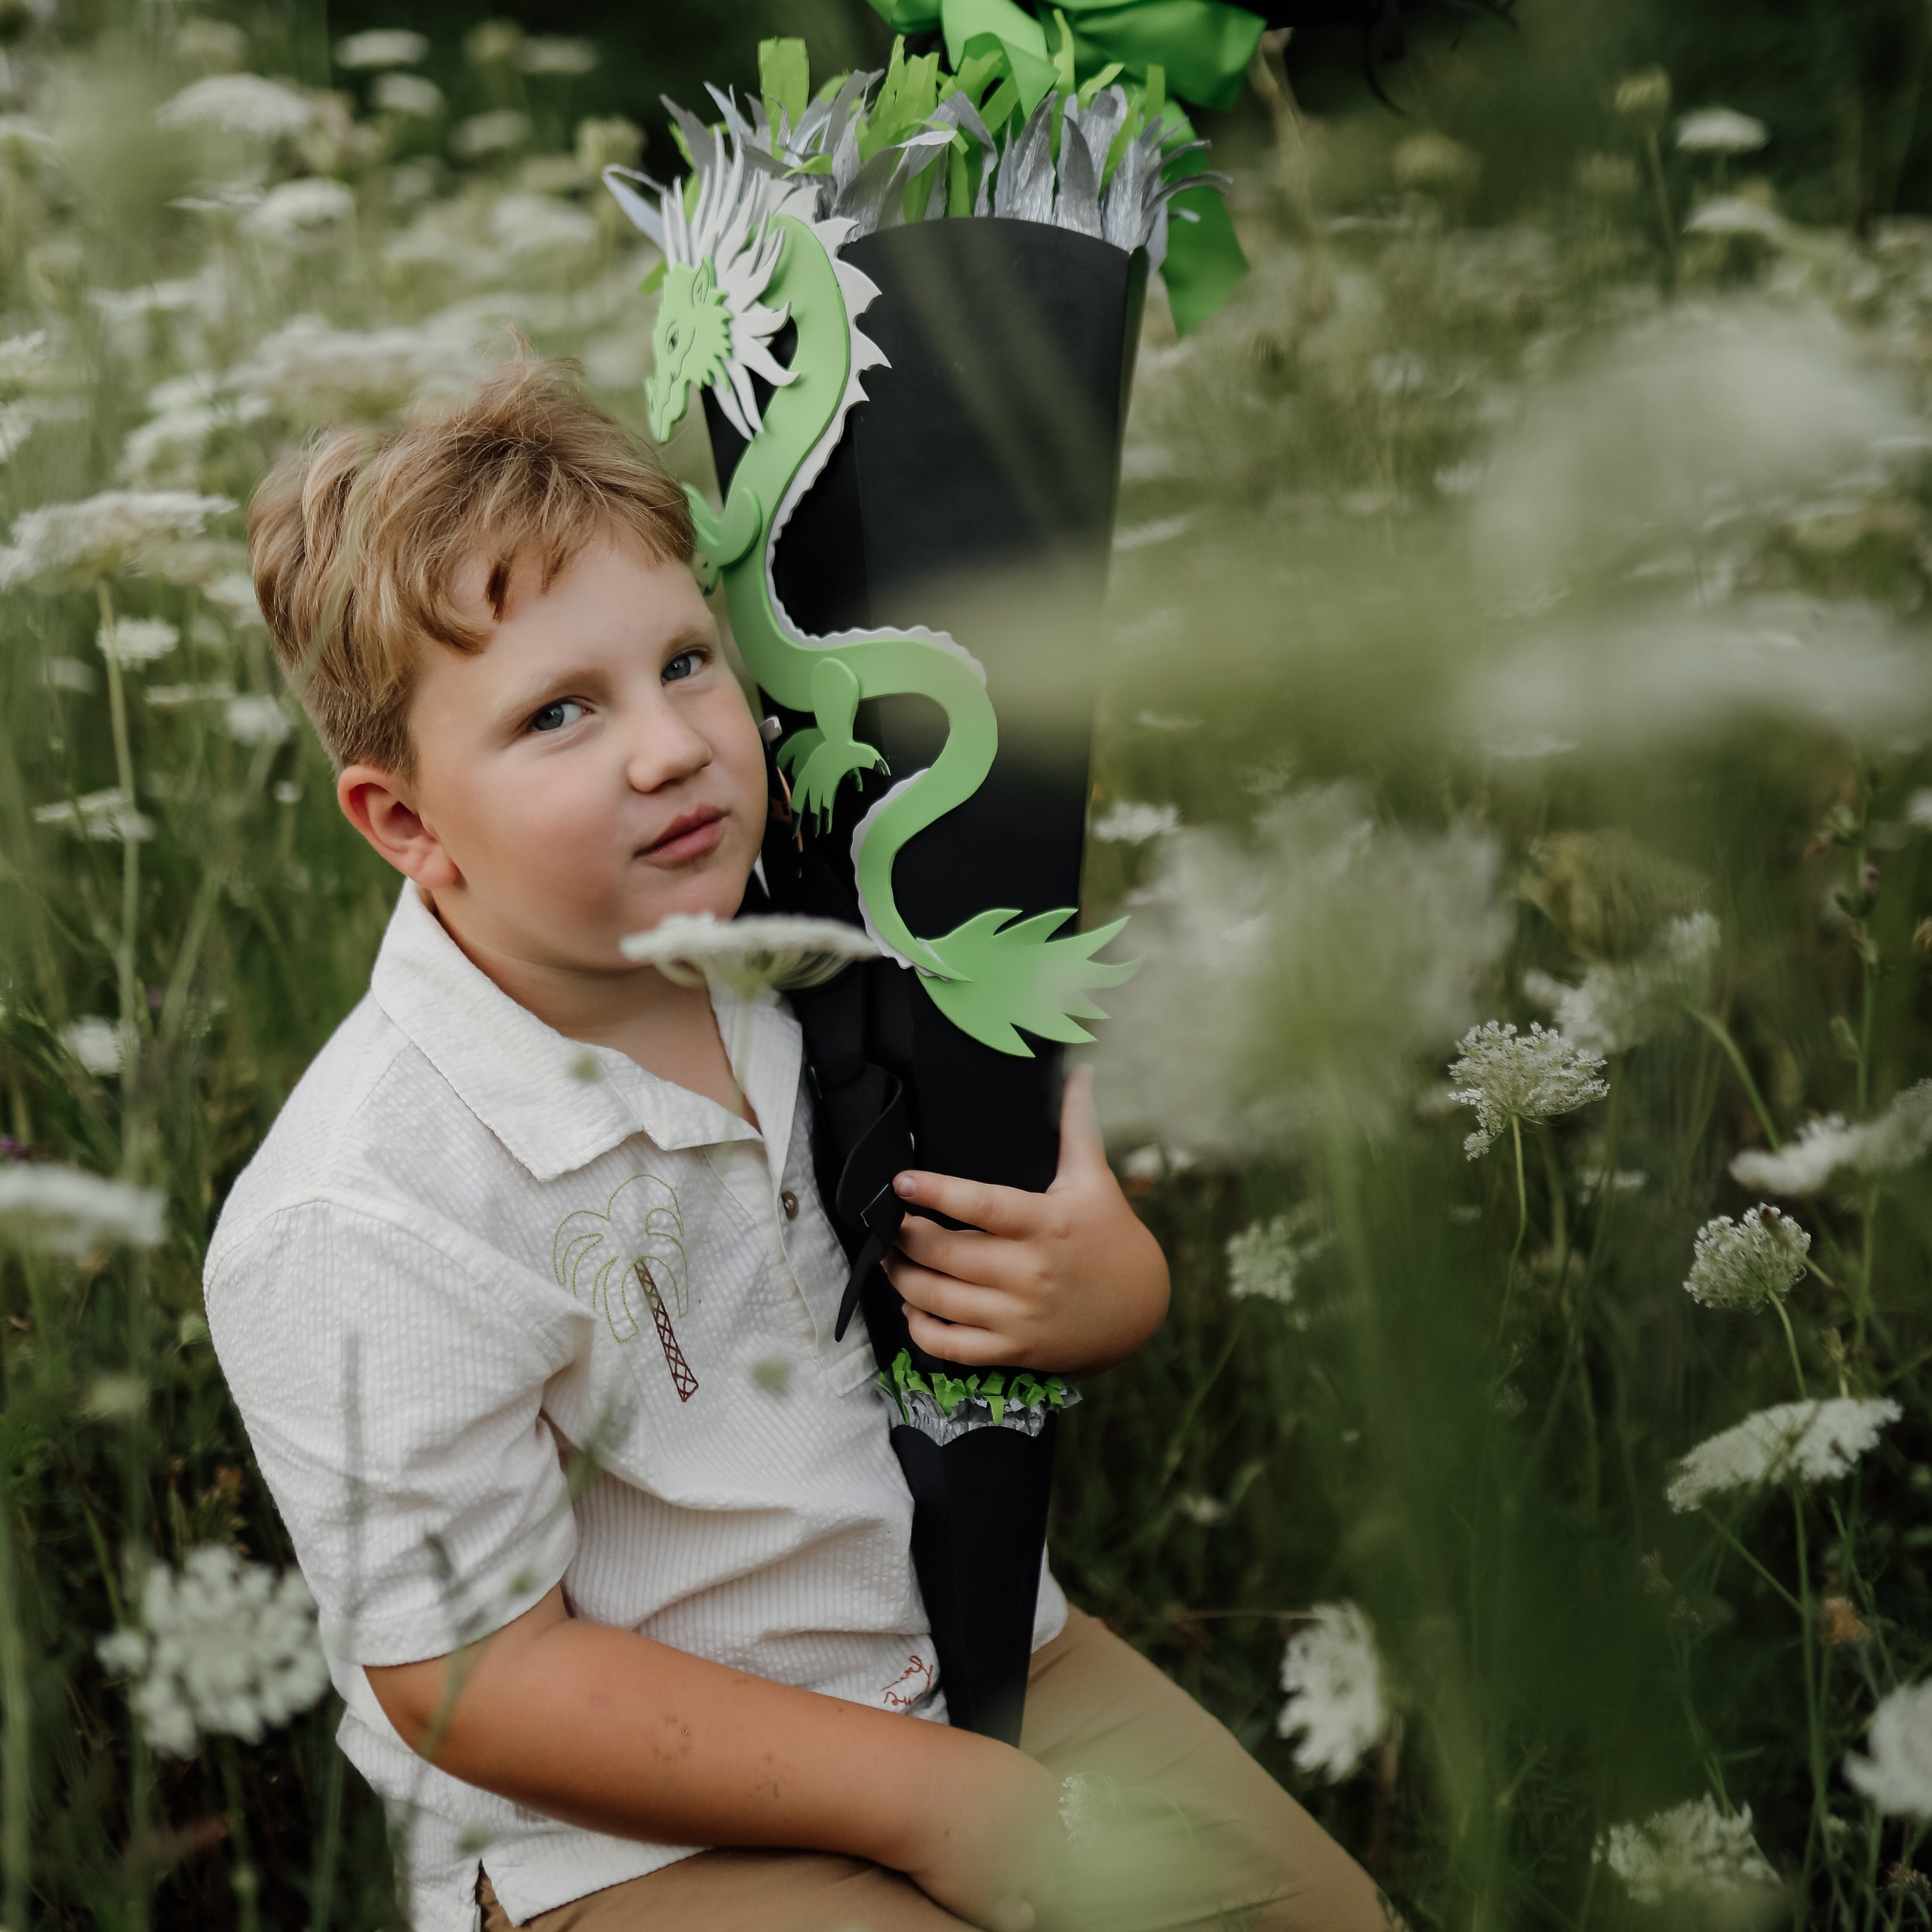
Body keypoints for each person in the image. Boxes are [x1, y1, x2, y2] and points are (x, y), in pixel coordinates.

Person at [206, 356, 1391, 1932]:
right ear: (405, 821)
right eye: (559, 712)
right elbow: (475, 1678)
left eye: (685, 662)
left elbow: (1040, 1267)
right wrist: (935, 1801)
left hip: (986, 1650)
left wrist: (1105, 1287)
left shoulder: (841, 946)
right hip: (635, 1828)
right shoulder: (368, 1203)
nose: (668, 746)